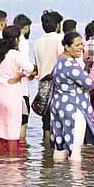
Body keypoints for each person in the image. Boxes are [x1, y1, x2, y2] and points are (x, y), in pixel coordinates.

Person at [49, 32, 94, 162]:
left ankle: (56, 177)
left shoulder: (59, 62)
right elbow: (89, 83)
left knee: (59, 146)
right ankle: (77, 180)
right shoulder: (71, 65)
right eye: (77, 45)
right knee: (75, 148)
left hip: (58, 105)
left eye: (81, 44)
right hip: (73, 107)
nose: (81, 48)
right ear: (67, 47)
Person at [0, 26, 35, 154]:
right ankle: (11, 160)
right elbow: (30, 68)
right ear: (16, 39)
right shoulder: (15, 55)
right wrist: (20, 75)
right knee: (12, 129)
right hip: (11, 95)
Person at [34, 10, 64, 140]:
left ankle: (46, 152)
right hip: (58, 85)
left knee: (46, 122)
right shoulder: (60, 40)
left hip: (43, 85)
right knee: (60, 120)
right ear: (57, 25)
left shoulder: (38, 42)